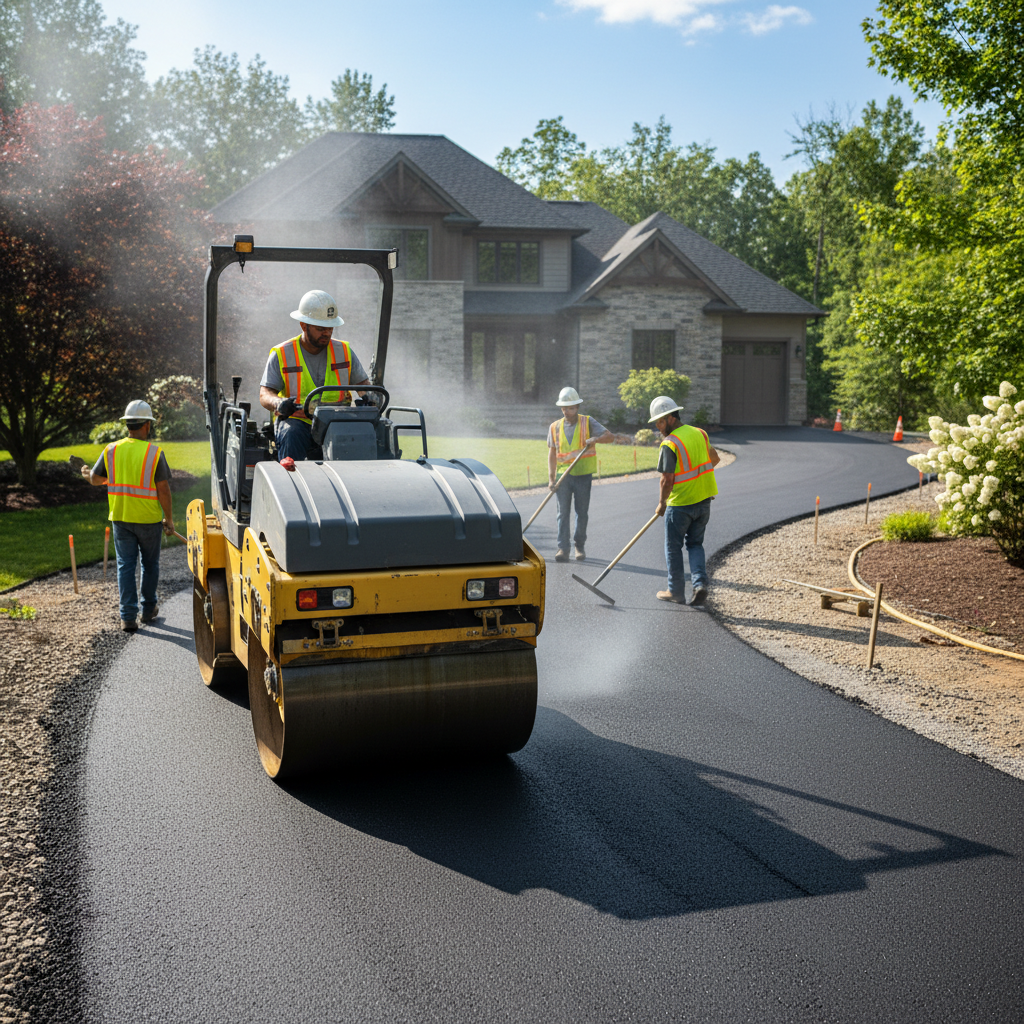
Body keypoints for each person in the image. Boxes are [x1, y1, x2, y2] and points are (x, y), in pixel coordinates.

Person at [81, 400, 175, 631]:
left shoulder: (111, 450)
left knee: (125, 566)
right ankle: (148, 609)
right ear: (146, 425)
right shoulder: (155, 453)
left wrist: (85, 474)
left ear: (128, 425)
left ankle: (127, 617)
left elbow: (95, 479)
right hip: (149, 520)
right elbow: (163, 489)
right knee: (150, 564)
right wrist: (169, 519)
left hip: (121, 518)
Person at [258, 289, 371, 462]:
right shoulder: (282, 353)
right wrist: (279, 403)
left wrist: (369, 397)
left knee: (365, 434)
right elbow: (265, 394)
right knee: (291, 433)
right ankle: (291, 483)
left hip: (338, 423)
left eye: (330, 328)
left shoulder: (344, 352)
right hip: (298, 422)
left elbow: (363, 385)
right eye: (320, 329)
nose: (326, 333)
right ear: (304, 325)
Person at [650, 395, 720, 606]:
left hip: (680, 504)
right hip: (704, 500)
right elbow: (714, 458)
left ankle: (675, 592)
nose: (658, 426)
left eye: (660, 421)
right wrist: (699, 479)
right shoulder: (700, 433)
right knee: (695, 544)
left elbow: (667, 479)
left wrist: (662, 503)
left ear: (671, 418)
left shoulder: (670, 443)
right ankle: (700, 585)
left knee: (673, 547)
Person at [547, 386, 613, 562]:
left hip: (583, 475)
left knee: (581, 512)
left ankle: (579, 545)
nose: (566, 411)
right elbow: (552, 455)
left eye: (570, 408)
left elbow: (610, 437)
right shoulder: (554, 427)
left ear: (577, 407)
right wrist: (551, 479)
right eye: (563, 408)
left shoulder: (588, 422)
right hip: (563, 477)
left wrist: (596, 439)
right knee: (562, 513)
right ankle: (563, 548)